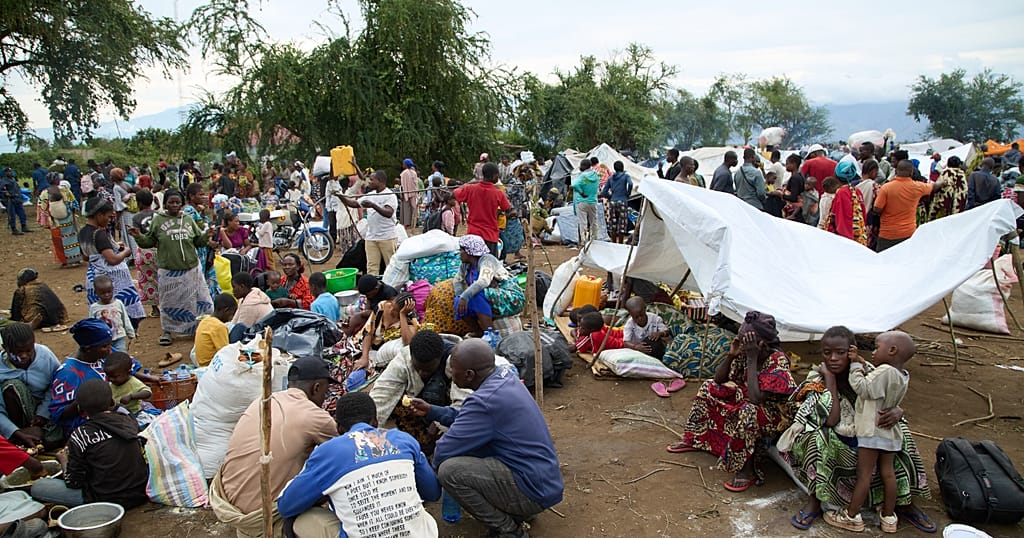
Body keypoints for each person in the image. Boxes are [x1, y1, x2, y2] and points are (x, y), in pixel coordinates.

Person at [781, 326, 934, 533]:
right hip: (839, 433)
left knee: (902, 433)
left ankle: (903, 502)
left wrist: (898, 411)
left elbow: (891, 396)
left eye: (840, 352)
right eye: (827, 353)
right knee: (817, 439)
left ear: (852, 351)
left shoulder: (870, 371)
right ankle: (815, 501)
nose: (833, 358)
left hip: (869, 432)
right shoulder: (818, 379)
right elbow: (831, 419)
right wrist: (831, 381)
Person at [416, 339, 563, 538]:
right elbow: (468, 419)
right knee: (473, 450)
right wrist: (433, 411)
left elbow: (444, 450)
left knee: (450, 471)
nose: (450, 373)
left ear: (469, 375)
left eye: (453, 370)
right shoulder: (504, 379)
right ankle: (519, 511)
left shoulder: (484, 401)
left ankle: (509, 530)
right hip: (542, 481)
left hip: (532, 490)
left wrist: (423, 483)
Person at [277, 392, 441, 538]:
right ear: (375, 421)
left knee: (298, 519)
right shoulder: (403, 440)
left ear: (339, 428)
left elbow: (286, 506)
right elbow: (433, 492)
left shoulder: (327, 452)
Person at [667, 311, 796, 492]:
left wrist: (752, 358)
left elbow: (756, 399)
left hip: (774, 414)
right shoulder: (744, 353)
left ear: (761, 344)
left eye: (745, 340)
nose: (741, 343)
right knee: (709, 387)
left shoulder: (778, 361)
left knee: (748, 410)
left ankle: (747, 469)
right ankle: (696, 439)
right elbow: (719, 379)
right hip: (747, 399)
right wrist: (731, 355)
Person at [212, 357, 338, 537]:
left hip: (227, 504)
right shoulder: (314, 416)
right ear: (316, 388)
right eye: (325, 392)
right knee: (334, 524)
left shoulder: (262, 401)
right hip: (261, 516)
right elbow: (347, 454)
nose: (325, 398)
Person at [823, 331, 914, 533]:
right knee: (888, 474)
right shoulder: (902, 375)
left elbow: (863, 387)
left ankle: (851, 516)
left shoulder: (884, 371)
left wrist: (855, 366)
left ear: (892, 350)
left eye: (877, 347)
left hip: (872, 432)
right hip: (890, 433)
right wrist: (862, 362)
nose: (873, 352)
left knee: (864, 475)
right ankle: (889, 517)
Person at [130, 189, 216, 346]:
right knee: (169, 302)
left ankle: (200, 328)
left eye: (178, 202)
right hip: (169, 271)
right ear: (165, 204)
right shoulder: (158, 221)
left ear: (182, 204)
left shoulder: (188, 220)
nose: (175, 205)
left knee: (200, 301)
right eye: (171, 202)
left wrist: (207, 235)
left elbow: (198, 241)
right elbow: (148, 242)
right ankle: (168, 331)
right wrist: (138, 236)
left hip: (191, 269)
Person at [369, 330, 467, 456]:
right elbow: (381, 395)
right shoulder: (404, 359)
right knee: (397, 403)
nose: (421, 373)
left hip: (449, 414)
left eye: (427, 370)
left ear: (439, 359)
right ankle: (422, 445)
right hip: (421, 409)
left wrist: (437, 419)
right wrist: (367, 434)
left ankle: (443, 449)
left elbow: (465, 411)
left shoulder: (458, 363)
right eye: (418, 368)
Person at [79, 197, 145, 328]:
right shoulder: (99, 234)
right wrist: (126, 252)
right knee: (120, 310)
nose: (109, 220)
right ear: (99, 215)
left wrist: (112, 247)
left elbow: (86, 257)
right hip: (110, 279)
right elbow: (112, 260)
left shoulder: (82, 232)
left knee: (102, 312)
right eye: (108, 217)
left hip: (94, 278)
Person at [0, 323, 62, 449]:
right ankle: (22, 434)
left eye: (28, 350)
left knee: (52, 439)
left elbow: (56, 386)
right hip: (14, 416)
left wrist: (42, 414)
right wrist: (15, 432)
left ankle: (35, 434)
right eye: (17, 352)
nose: (24, 356)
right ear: (5, 348)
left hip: (45, 409)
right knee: (13, 386)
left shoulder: (45, 356)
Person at [453, 235, 525, 332]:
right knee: (458, 301)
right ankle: (478, 332)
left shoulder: (487, 260)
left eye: (461, 250)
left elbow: (484, 281)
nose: (459, 253)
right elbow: (457, 280)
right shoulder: (465, 265)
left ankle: (490, 333)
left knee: (477, 295)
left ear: (470, 252)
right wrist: (460, 297)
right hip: (490, 296)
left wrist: (465, 297)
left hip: (509, 297)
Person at [872, 160, 946, 252]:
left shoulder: (886, 188)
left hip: (887, 234)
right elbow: (933, 187)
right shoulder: (918, 187)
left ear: (896, 171)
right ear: (911, 172)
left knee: (883, 259)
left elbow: (877, 209)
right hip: (908, 234)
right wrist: (943, 183)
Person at [340, 170, 398, 276]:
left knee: (391, 265)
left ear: (380, 181)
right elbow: (354, 204)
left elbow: (389, 213)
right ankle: (372, 284)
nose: (369, 182)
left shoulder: (390, 195)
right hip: (371, 237)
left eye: (372, 180)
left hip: (387, 237)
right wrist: (340, 196)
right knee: (371, 266)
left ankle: (391, 285)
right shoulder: (370, 195)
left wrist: (373, 205)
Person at [454, 162, 511, 257]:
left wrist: (468, 184)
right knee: (489, 263)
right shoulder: (498, 193)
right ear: (494, 175)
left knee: (473, 263)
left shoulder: (470, 189)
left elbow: (455, 193)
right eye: (498, 175)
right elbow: (508, 209)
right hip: (490, 235)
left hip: (473, 234)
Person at [37, 182, 82, 267]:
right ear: (57, 180)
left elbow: (43, 208)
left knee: (58, 241)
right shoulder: (65, 190)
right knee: (72, 239)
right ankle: (75, 259)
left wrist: (46, 220)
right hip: (69, 220)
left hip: (55, 222)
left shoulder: (44, 193)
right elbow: (74, 203)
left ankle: (64, 260)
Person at [131, 189, 160, 318]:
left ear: (139, 203)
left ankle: (155, 308)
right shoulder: (159, 215)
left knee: (148, 280)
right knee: (162, 278)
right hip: (160, 249)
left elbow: (137, 235)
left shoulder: (136, 217)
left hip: (144, 251)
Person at [88, 275, 136, 353]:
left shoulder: (118, 303)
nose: (106, 295)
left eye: (109, 292)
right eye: (102, 293)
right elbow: (92, 324)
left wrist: (130, 333)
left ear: (113, 289)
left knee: (121, 355)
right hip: (102, 340)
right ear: (96, 292)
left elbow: (125, 319)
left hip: (119, 337)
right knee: (104, 357)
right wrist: (92, 338)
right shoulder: (94, 308)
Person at [826, 162, 867, 245]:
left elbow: (842, 221)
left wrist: (845, 243)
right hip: (858, 237)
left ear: (836, 175)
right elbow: (863, 215)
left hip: (846, 241)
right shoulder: (856, 191)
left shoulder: (842, 193)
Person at [102, 352, 151, 417]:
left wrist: (131, 396)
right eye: (108, 376)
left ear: (128, 373)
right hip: (117, 414)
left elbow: (148, 392)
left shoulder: (133, 382)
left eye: (115, 376)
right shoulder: (111, 384)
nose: (111, 379)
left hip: (134, 414)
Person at [194, 293, 237, 367]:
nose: (232, 318)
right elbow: (225, 353)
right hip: (211, 365)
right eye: (232, 314)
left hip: (200, 363)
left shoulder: (205, 320)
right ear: (226, 310)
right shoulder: (219, 326)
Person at [599, 161, 633, 244]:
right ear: (622, 167)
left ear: (614, 168)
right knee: (622, 223)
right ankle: (620, 243)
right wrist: (628, 193)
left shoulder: (611, 178)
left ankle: (614, 242)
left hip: (613, 202)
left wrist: (610, 197)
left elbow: (604, 192)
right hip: (622, 201)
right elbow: (630, 184)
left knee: (613, 223)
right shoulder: (626, 176)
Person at [927, 156, 968, 221]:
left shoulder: (945, 173)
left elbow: (936, 188)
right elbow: (964, 191)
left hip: (944, 206)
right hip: (958, 207)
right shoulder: (962, 175)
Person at [572, 159, 600, 245]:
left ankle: (584, 241)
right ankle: (594, 240)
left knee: (583, 222)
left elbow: (575, 185)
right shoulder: (596, 175)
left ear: (584, 166)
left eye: (581, 165)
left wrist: (581, 192)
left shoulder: (583, 176)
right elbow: (589, 183)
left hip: (583, 202)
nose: (580, 167)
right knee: (593, 222)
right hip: (593, 202)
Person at [0, 168, 29, 235]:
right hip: (10, 200)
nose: (10, 172)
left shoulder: (13, 180)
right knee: (12, 215)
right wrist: (6, 193)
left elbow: (17, 188)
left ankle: (24, 226)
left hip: (17, 199)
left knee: (22, 213)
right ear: (5, 173)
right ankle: (14, 229)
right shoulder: (3, 181)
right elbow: (2, 190)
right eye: (8, 171)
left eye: (10, 171)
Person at [398, 158, 419, 229]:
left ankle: (406, 224)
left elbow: (403, 185)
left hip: (406, 193)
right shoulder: (414, 173)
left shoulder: (404, 173)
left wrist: (403, 194)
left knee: (406, 210)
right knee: (413, 208)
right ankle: (413, 223)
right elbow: (416, 184)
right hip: (413, 193)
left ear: (405, 165)